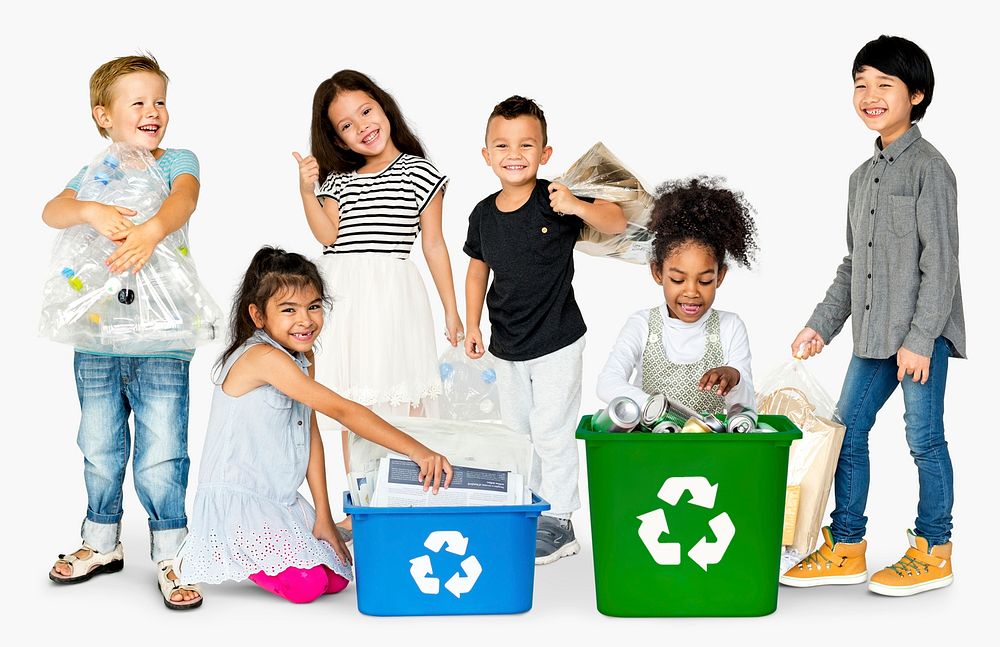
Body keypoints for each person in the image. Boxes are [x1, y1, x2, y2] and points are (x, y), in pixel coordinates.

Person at [781, 35, 964, 597]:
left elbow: (943, 265)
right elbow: (852, 264)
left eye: (885, 84)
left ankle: (934, 550)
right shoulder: (862, 178)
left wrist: (920, 338)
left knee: (923, 439)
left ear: (917, 94)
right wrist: (820, 324)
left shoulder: (930, 170)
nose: (870, 95)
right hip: (872, 335)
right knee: (846, 431)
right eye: (861, 84)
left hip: (918, 338)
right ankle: (847, 545)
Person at [175, 247, 452, 604]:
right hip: (239, 500)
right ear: (258, 316)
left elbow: (309, 431)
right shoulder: (263, 357)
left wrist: (323, 515)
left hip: (280, 498)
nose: (305, 320)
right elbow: (343, 410)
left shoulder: (303, 355)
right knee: (307, 587)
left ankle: (296, 537)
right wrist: (416, 449)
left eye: (314, 306)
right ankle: (239, 552)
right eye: (288, 310)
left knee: (336, 580)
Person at [42, 54, 205, 610]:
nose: (153, 111)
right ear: (103, 116)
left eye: (159, 100)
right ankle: (101, 541)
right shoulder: (95, 174)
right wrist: (88, 210)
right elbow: (52, 211)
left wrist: (153, 231)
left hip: (162, 334)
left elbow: (185, 197)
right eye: (137, 102)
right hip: (99, 335)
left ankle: (171, 549)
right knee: (98, 443)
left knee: (162, 448)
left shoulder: (175, 159)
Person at [293, 70, 463, 532]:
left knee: (400, 396)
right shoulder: (339, 181)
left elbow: (433, 245)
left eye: (365, 111)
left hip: (391, 298)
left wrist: (452, 310)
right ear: (338, 139)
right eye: (346, 125)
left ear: (383, 106)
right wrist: (306, 191)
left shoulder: (420, 172)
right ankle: (363, 501)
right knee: (354, 401)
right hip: (344, 297)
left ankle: (405, 497)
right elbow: (329, 236)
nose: (362, 126)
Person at [464, 96, 626, 564]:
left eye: (526, 145)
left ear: (545, 153)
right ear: (486, 155)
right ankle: (529, 507)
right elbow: (478, 270)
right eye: (502, 145)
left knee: (551, 430)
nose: (514, 154)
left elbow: (615, 222)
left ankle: (560, 521)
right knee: (517, 432)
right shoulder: (482, 214)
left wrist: (576, 203)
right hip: (507, 344)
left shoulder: (554, 197)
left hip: (556, 339)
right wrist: (471, 322)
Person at [596, 177, 758, 416]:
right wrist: (658, 407)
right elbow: (607, 383)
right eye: (678, 279)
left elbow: (745, 408)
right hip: (652, 448)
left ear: (720, 277)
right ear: (657, 272)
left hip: (710, 450)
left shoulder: (730, 327)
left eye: (704, 281)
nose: (691, 292)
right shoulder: (642, 325)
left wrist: (735, 379)